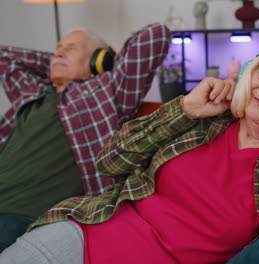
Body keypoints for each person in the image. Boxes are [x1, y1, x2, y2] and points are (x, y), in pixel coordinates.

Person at [0, 35, 259, 263]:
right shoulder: (205, 118)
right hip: (82, 239)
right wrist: (183, 108)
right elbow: (110, 161)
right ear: (248, 72)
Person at [0, 22, 171, 252]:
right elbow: (5, 57)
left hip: (23, 219)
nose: (58, 52)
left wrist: (106, 63)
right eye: (57, 48)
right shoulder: (33, 93)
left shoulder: (105, 92)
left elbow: (155, 36)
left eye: (71, 48)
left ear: (98, 61)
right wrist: (60, 60)